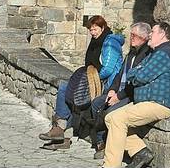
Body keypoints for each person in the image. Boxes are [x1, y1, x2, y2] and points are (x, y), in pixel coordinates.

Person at [102, 21, 170, 168]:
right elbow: (136, 73)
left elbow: (140, 77)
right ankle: (140, 151)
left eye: (153, 32)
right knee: (109, 118)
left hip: (159, 105)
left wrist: (136, 73)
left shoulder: (163, 53)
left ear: (163, 34)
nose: (150, 35)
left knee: (118, 119)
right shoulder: (155, 53)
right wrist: (137, 72)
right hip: (148, 103)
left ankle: (110, 165)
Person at [38, 15, 124, 147]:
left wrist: (91, 80)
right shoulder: (94, 42)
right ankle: (61, 129)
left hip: (104, 82)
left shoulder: (110, 42)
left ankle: (64, 134)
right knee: (65, 89)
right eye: (91, 30)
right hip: (91, 78)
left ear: (103, 28)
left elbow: (108, 69)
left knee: (75, 96)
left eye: (95, 29)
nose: (93, 33)